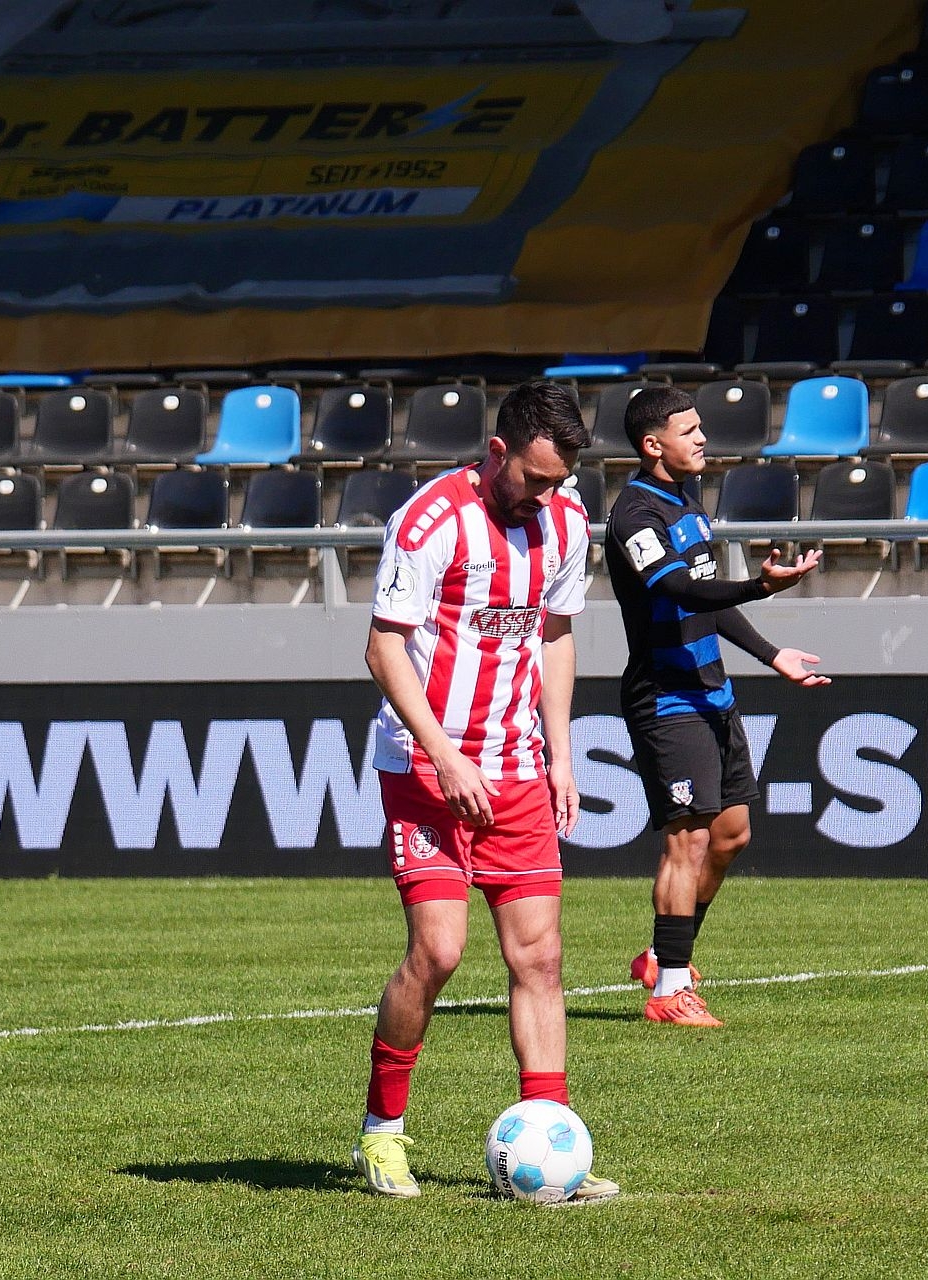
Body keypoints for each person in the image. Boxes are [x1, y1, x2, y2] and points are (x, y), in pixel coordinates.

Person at [352, 380, 617, 1203]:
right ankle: (381, 1134)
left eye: (560, 481)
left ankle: (555, 1143)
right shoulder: (430, 521)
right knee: (438, 951)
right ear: (497, 451)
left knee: (540, 956)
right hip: (425, 769)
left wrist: (561, 756)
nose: (548, 494)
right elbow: (383, 649)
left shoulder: (565, 522)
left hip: (517, 769)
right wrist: (444, 755)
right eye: (535, 478)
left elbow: (556, 636)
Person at [609, 386, 827, 1027]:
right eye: (690, 430)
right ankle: (668, 993)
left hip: (712, 692)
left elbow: (706, 598)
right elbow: (677, 588)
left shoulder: (686, 498)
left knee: (731, 835)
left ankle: (661, 955)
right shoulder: (634, 514)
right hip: (666, 697)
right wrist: (759, 585)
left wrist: (772, 654)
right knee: (689, 839)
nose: (703, 438)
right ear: (653, 444)